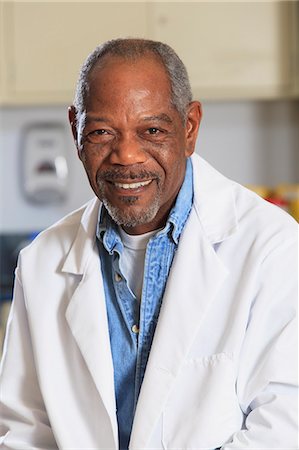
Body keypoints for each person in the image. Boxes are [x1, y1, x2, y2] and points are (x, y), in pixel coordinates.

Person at [0, 38, 297, 450]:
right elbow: (23, 431)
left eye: (152, 130)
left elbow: (284, 427)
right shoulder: (40, 264)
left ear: (190, 127)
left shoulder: (272, 246)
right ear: (76, 131)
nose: (126, 156)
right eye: (102, 132)